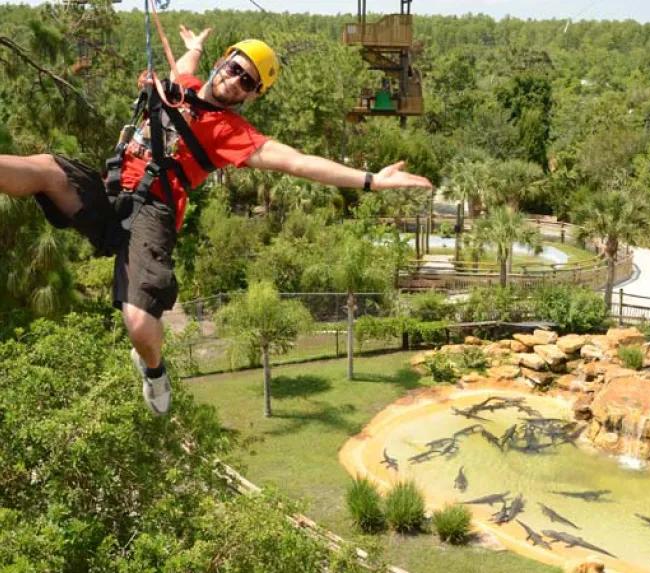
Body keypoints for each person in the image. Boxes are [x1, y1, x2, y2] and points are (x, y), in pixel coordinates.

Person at [0, 26, 432, 416]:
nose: (235, 80)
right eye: (234, 68)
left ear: (251, 96)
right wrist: (193, 49)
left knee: (138, 324)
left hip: (154, 212)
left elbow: (297, 163)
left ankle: (153, 369)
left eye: (247, 82)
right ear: (223, 62)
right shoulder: (181, 85)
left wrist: (372, 180)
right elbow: (185, 68)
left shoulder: (231, 132)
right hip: (113, 191)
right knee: (44, 169)